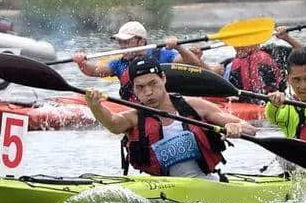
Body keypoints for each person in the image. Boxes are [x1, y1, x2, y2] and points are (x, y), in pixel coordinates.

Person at [84, 56, 257, 179]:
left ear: (163, 79)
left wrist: (237, 128)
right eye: (141, 87)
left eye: (153, 84)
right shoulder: (135, 118)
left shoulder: (195, 106)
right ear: (134, 90)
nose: (148, 92)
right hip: (160, 189)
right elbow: (113, 123)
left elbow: (251, 129)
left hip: (206, 184)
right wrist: (94, 105)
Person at [74, 20, 205, 102]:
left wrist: (179, 47)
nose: (123, 46)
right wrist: (81, 62)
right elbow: (95, 71)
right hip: (132, 109)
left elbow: (193, 64)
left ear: (141, 41)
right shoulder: (120, 63)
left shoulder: (161, 55)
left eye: (127, 41)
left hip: (161, 105)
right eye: (120, 42)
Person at [225, 26, 304, 98]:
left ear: (255, 42)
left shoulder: (274, 52)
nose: (238, 46)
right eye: (235, 43)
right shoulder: (230, 64)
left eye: (241, 42)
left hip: (277, 101)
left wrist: (287, 38)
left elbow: (304, 53)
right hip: (247, 106)